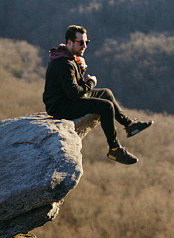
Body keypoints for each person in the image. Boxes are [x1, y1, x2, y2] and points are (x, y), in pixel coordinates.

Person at [43, 25, 152, 164]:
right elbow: (74, 93)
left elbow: (71, 86)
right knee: (106, 106)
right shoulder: (64, 63)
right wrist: (91, 83)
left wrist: (80, 70)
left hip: (66, 99)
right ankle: (114, 149)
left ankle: (130, 125)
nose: (85, 46)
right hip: (61, 107)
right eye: (81, 43)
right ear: (69, 42)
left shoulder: (69, 57)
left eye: (86, 42)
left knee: (106, 93)